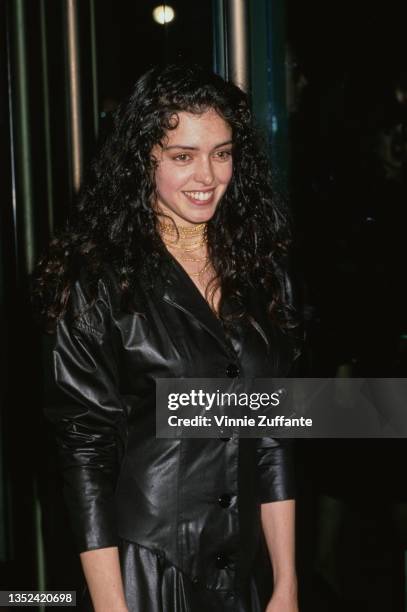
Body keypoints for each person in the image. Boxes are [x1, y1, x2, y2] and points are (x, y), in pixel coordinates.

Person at [32, 63, 300, 612]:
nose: (208, 176)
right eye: (183, 156)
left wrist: (286, 583)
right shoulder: (96, 281)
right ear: (143, 161)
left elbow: (272, 434)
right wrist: (112, 606)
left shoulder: (259, 270)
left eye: (222, 153)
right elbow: (85, 456)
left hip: (239, 576)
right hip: (142, 574)